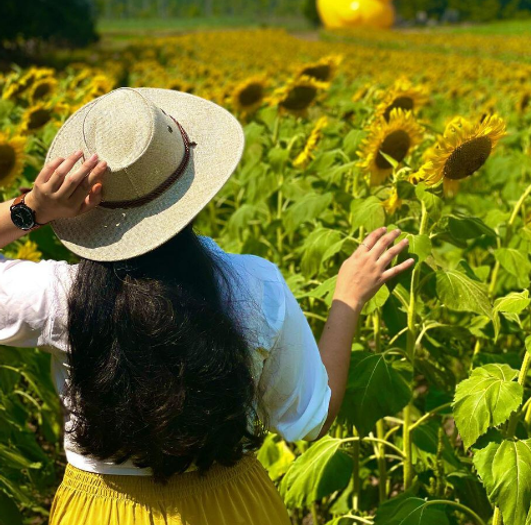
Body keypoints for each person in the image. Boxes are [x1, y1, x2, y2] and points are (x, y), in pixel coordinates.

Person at [0, 87, 414, 523]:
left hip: (103, 509)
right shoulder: (255, 285)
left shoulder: (58, 296)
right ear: (190, 188)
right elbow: (312, 418)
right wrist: (347, 298)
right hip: (233, 506)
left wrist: (30, 209)